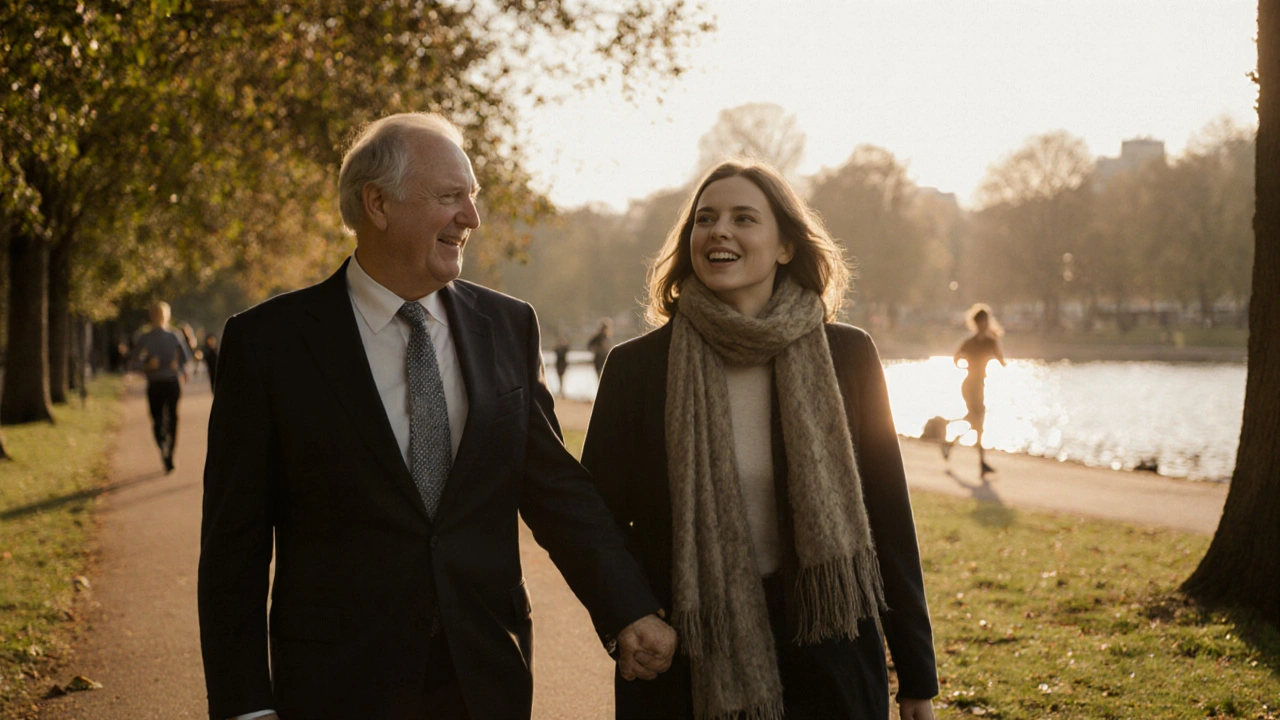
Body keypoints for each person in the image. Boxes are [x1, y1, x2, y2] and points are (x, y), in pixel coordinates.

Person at [198, 113, 676, 720]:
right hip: (335, 685)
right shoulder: (269, 343)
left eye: (472, 199)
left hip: (484, 676)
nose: (471, 219)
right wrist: (244, 707)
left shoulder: (508, 326)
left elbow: (555, 490)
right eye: (451, 197)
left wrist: (628, 607)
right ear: (377, 204)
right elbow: (231, 550)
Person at [581, 160, 938, 720]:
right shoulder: (637, 369)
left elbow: (889, 517)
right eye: (706, 219)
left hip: (829, 648)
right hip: (686, 655)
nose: (719, 230)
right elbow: (596, 520)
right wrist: (629, 616)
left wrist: (917, 676)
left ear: (785, 247)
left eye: (744, 218)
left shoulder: (848, 355)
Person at [131, 301, 192, 473]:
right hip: (155, 383)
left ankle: (169, 454)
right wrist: (146, 365)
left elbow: (186, 358)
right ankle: (163, 446)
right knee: (157, 420)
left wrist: (177, 366)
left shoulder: (174, 336)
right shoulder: (146, 337)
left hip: (171, 382)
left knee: (172, 418)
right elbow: (134, 362)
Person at [952, 303, 1006, 476]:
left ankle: (950, 443)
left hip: (980, 386)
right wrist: (965, 365)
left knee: (975, 422)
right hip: (970, 386)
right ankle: (980, 462)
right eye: (981, 321)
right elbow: (955, 358)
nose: (983, 324)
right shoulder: (971, 342)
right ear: (977, 323)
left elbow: (1001, 360)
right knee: (977, 423)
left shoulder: (991, 341)